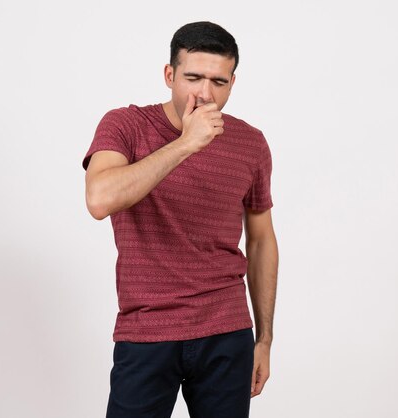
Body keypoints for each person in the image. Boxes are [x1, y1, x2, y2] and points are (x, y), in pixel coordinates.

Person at [82, 21, 279, 418]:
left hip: (227, 332)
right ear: (169, 74)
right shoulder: (126, 125)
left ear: (233, 83)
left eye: (219, 82)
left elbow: (261, 241)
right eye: (193, 78)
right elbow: (100, 199)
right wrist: (187, 143)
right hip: (148, 329)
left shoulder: (250, 143)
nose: (205, 93)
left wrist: (264, 340)